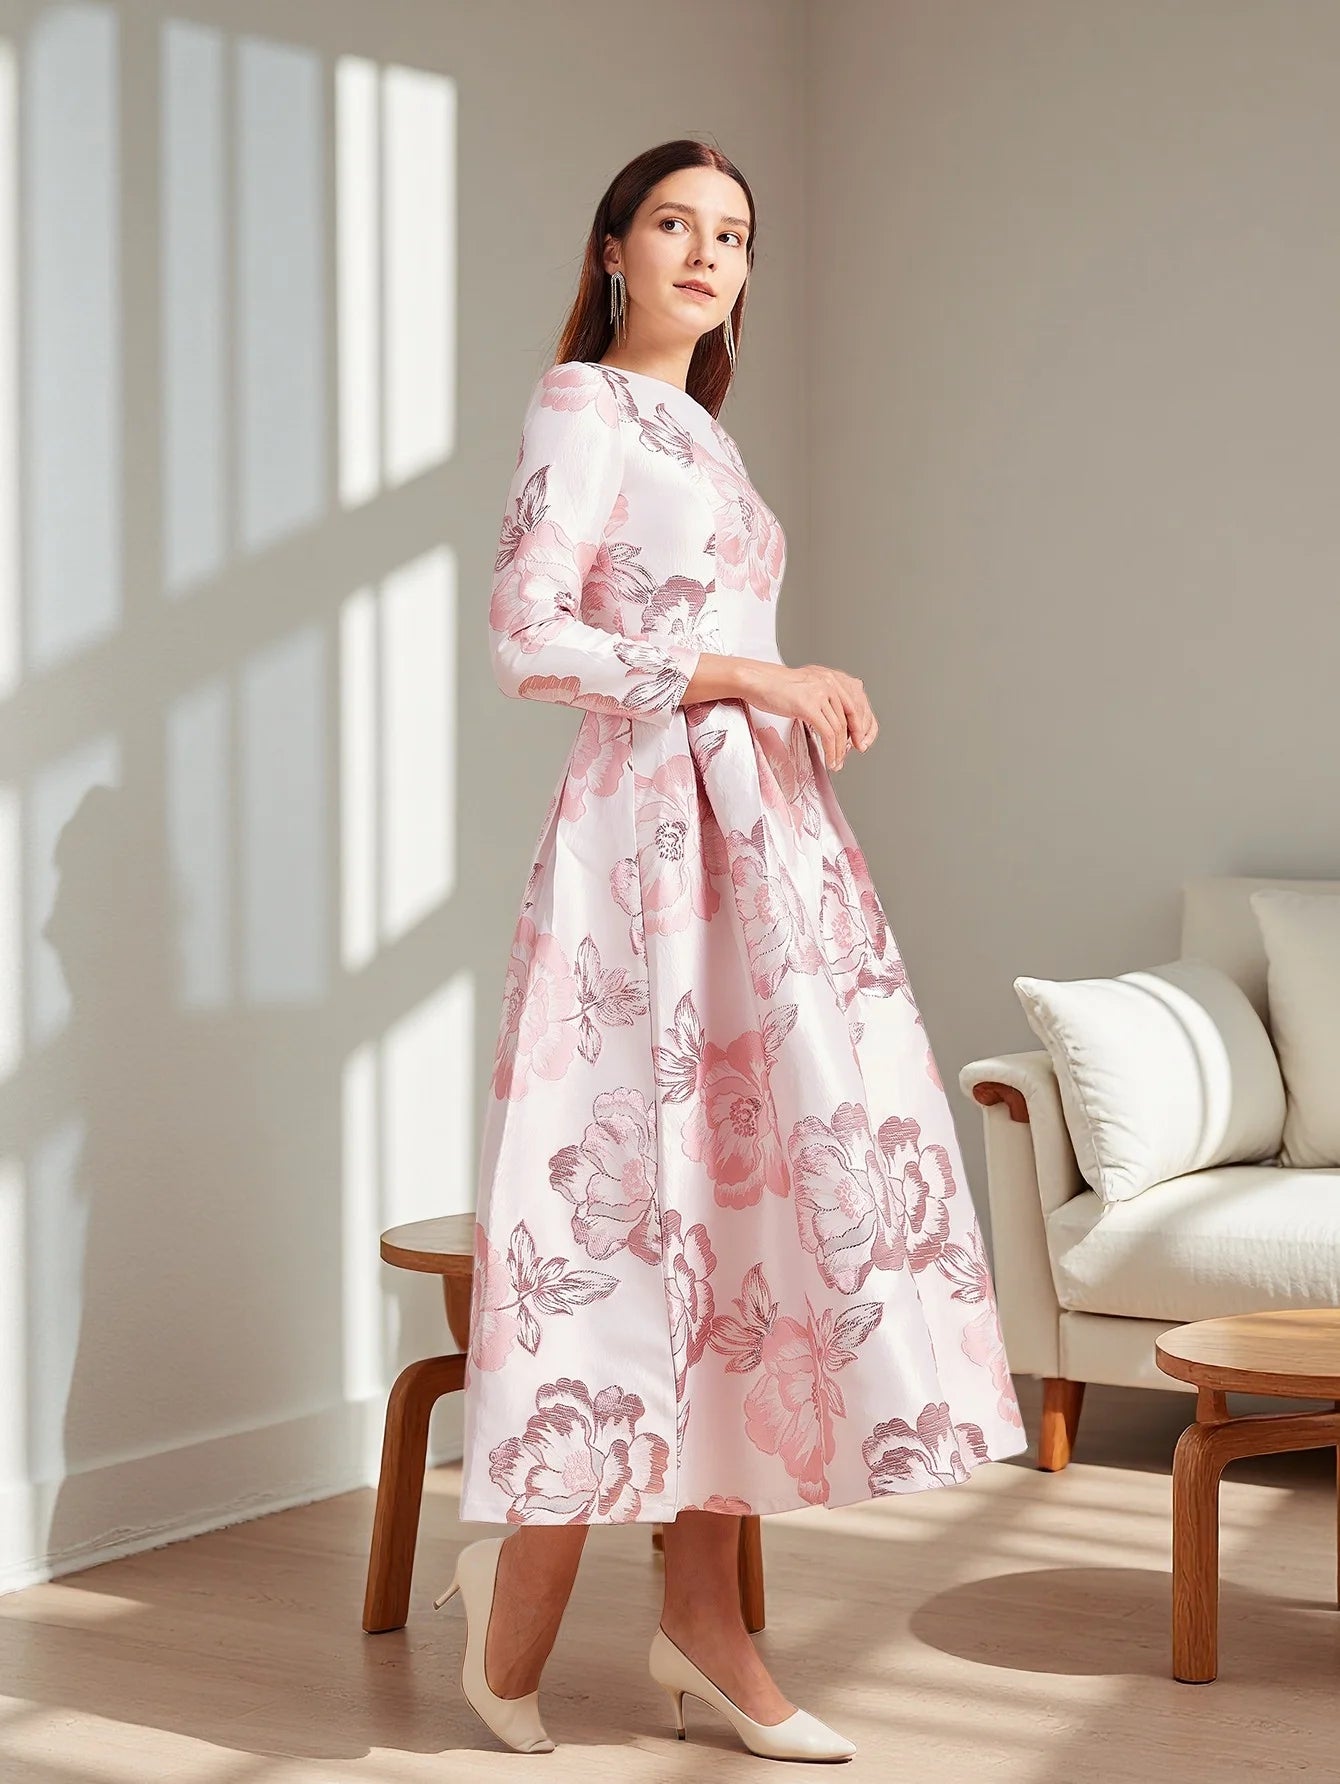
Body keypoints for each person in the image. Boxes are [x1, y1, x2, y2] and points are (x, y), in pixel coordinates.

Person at [440, 137, 1027, 1760]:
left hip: (761, 847)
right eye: (675, 225)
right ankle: (528, 1586)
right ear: (613, 250)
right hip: (646, 848)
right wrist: (757, 677)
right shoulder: (581, 403)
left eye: (735, 235)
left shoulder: (700, 428)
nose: (708, 254)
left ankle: (704, 1626)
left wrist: (780, 699)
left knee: (747, 1223)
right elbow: (526, 636)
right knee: (644, 1203)